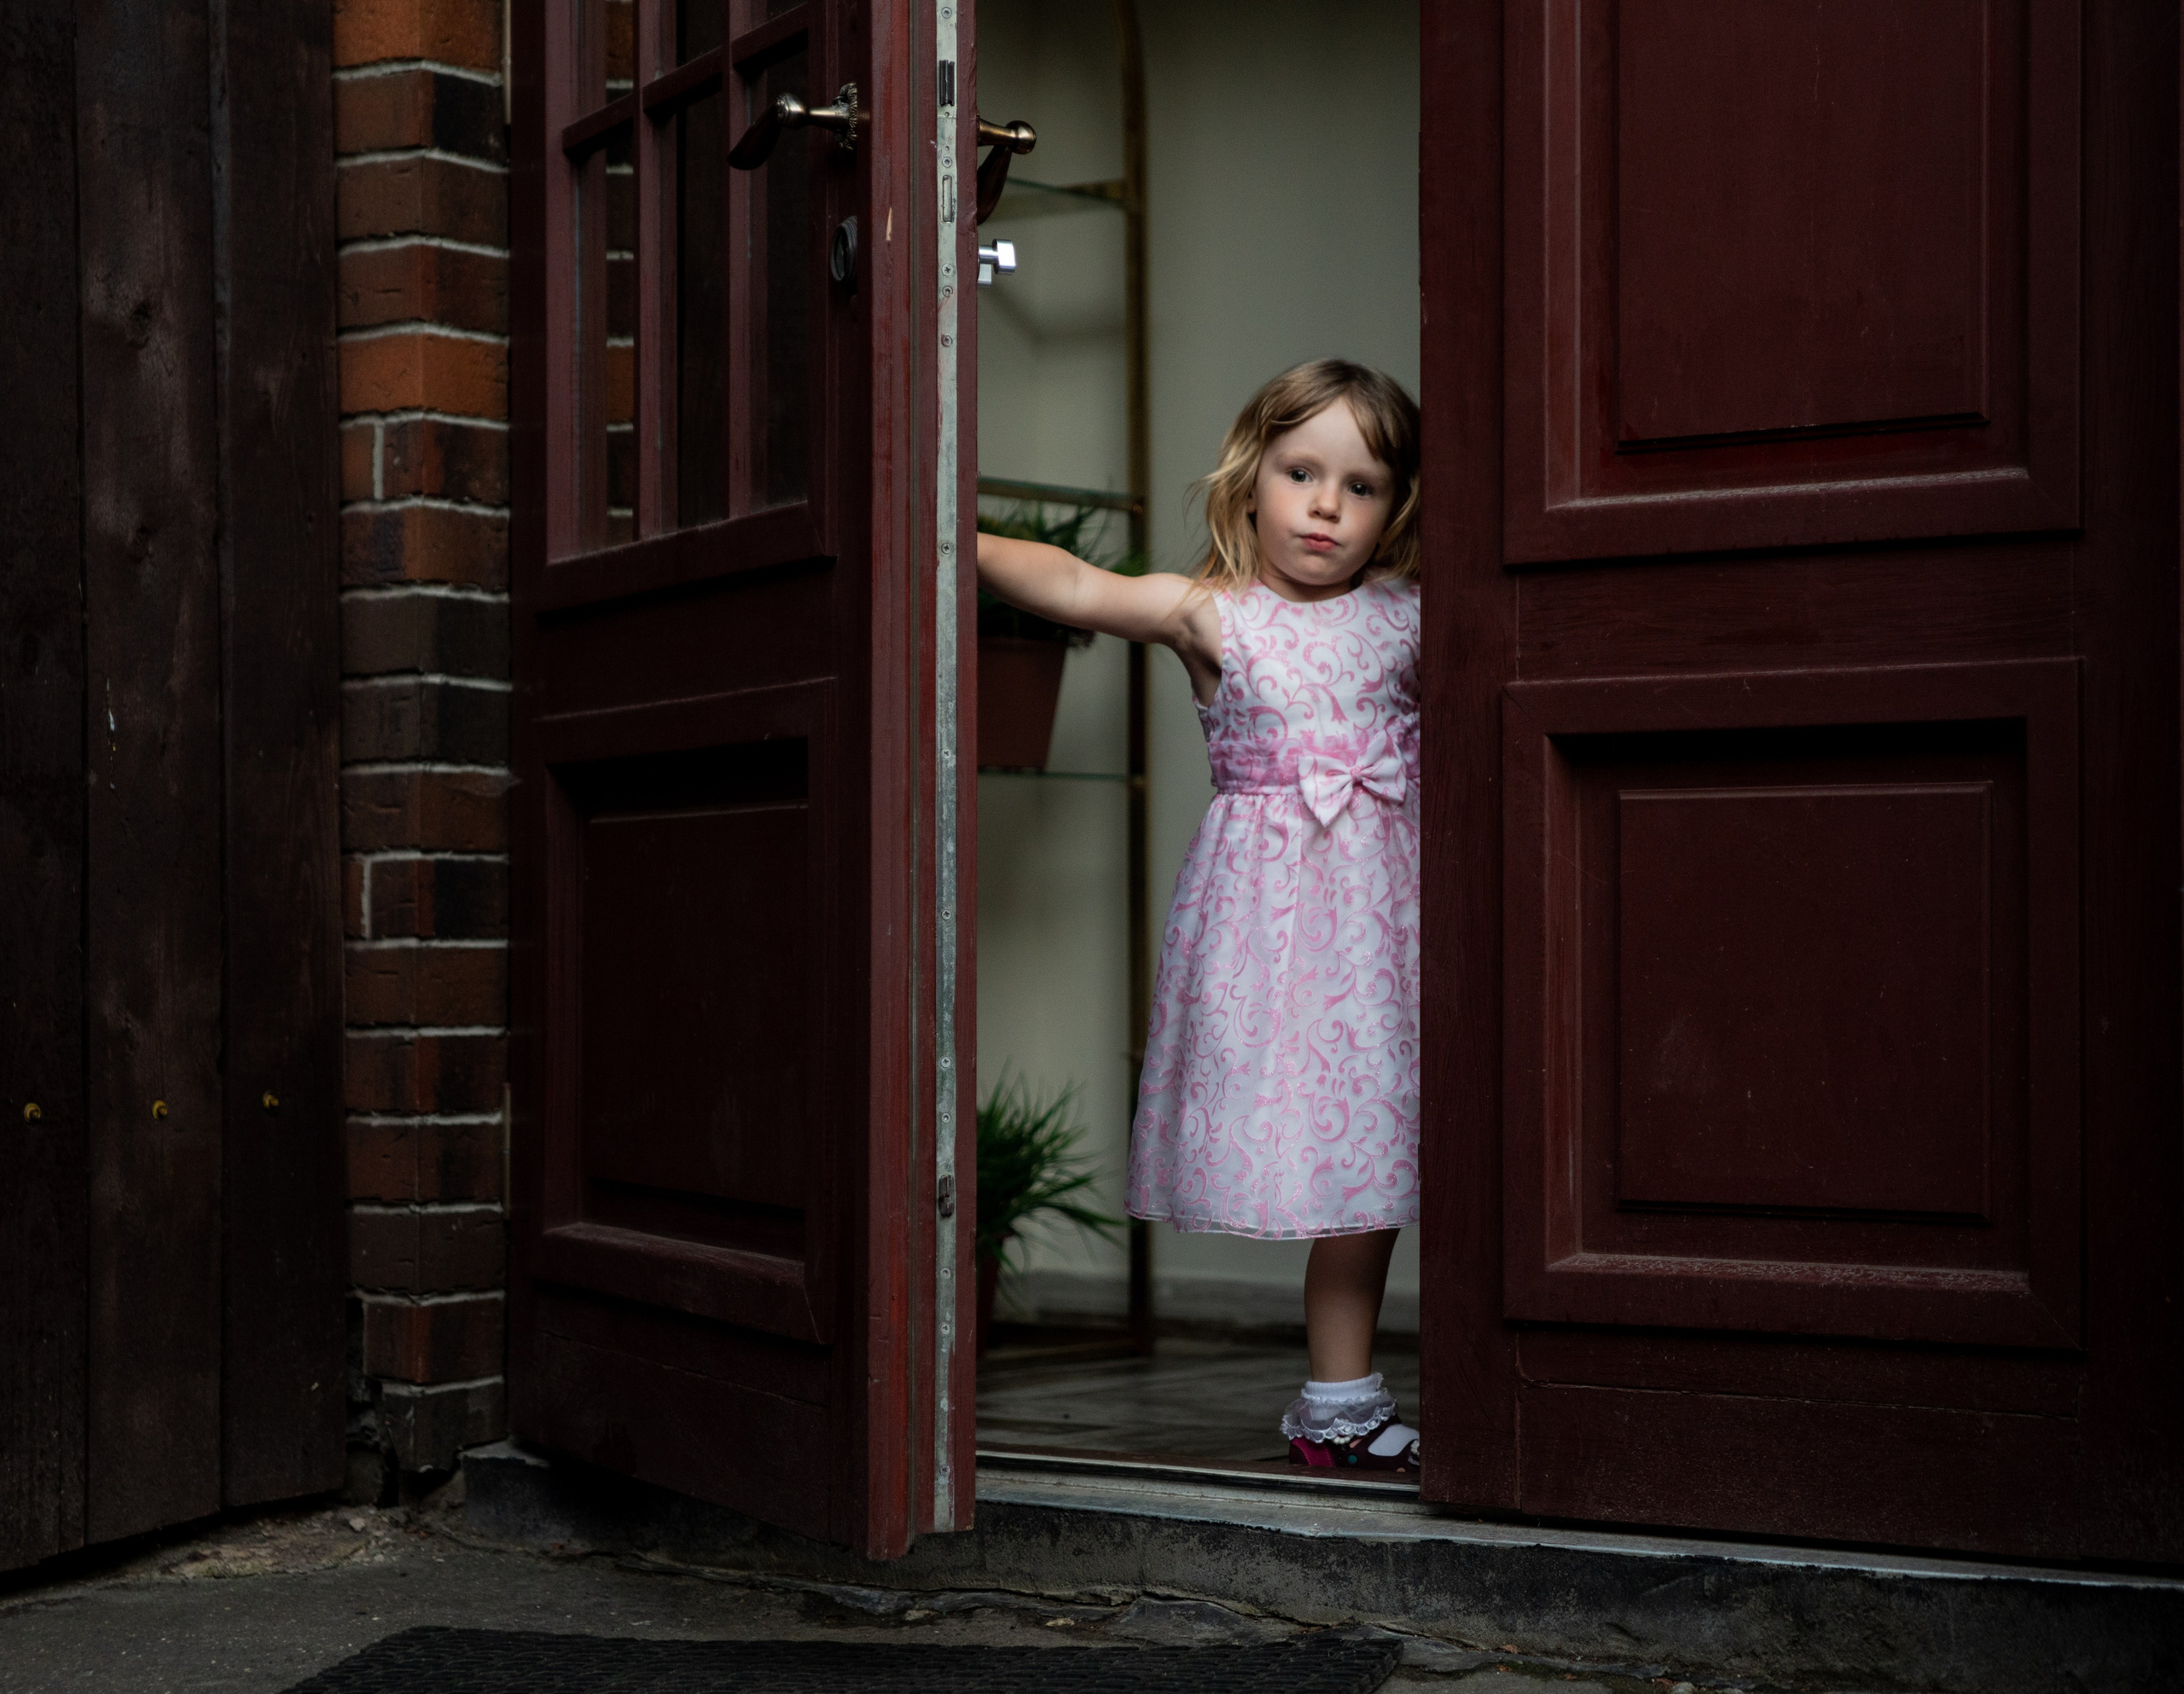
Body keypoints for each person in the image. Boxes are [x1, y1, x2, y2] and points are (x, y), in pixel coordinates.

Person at [974, 359, 1423, 1472]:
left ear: (1396, 507)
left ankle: (1340, 1405)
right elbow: (1075, 583)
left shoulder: (1411, 616)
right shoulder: (1212, 613)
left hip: (1390, 927)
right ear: (1250, 476)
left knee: (1377, 1160)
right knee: (1318, 1137)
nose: (1326, 505)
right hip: (1273, 931)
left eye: (1361, 486)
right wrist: (947, 533)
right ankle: (1342, 1409)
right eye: (1302, 472)